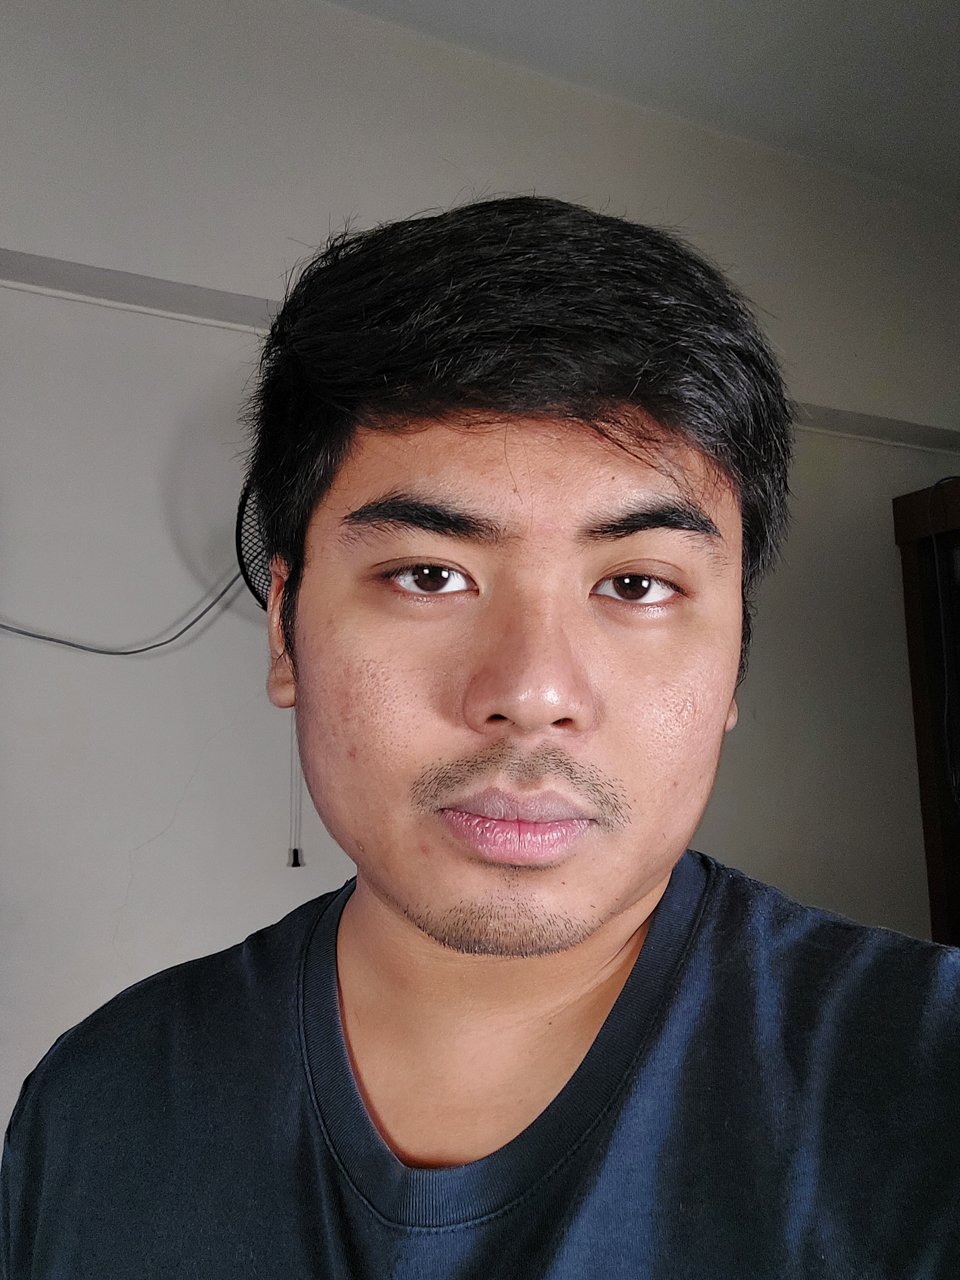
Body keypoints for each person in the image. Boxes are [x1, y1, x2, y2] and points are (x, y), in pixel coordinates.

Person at [2, 196, 958, 1278]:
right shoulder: (100, 1103)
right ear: (285, 629)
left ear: (736, 653)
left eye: (636, 584)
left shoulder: (924, 1087)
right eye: (429, 574)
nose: (533, 692)